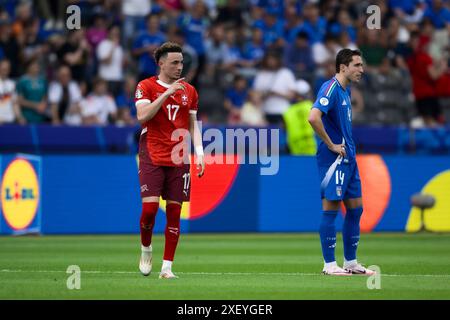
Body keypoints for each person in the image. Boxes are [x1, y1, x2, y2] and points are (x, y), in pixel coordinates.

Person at [134, 42, 205, 279]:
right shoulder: (145, 86)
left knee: (175, 213)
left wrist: (200, 152)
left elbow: (192, 124)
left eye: (181, 62)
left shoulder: (190, 91)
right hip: (152, 152)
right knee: (150, 209)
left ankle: (167, 268)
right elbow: (142, 116)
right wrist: (165, 93)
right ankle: (146, 249)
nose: (179, 67)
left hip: (179, 155)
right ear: (161, 63)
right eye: (174, 62)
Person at [308, 49, 376, 276]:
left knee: (356, 210)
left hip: (349, 159)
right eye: (357, 65)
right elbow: (313, 116)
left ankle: (351, 262)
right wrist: (330, 144)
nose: (361, 70)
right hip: (334, 159)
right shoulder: (331, 88)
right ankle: (329, 265)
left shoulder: (346, 93)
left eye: (362, 65)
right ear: (343, 67)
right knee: (331, 209)